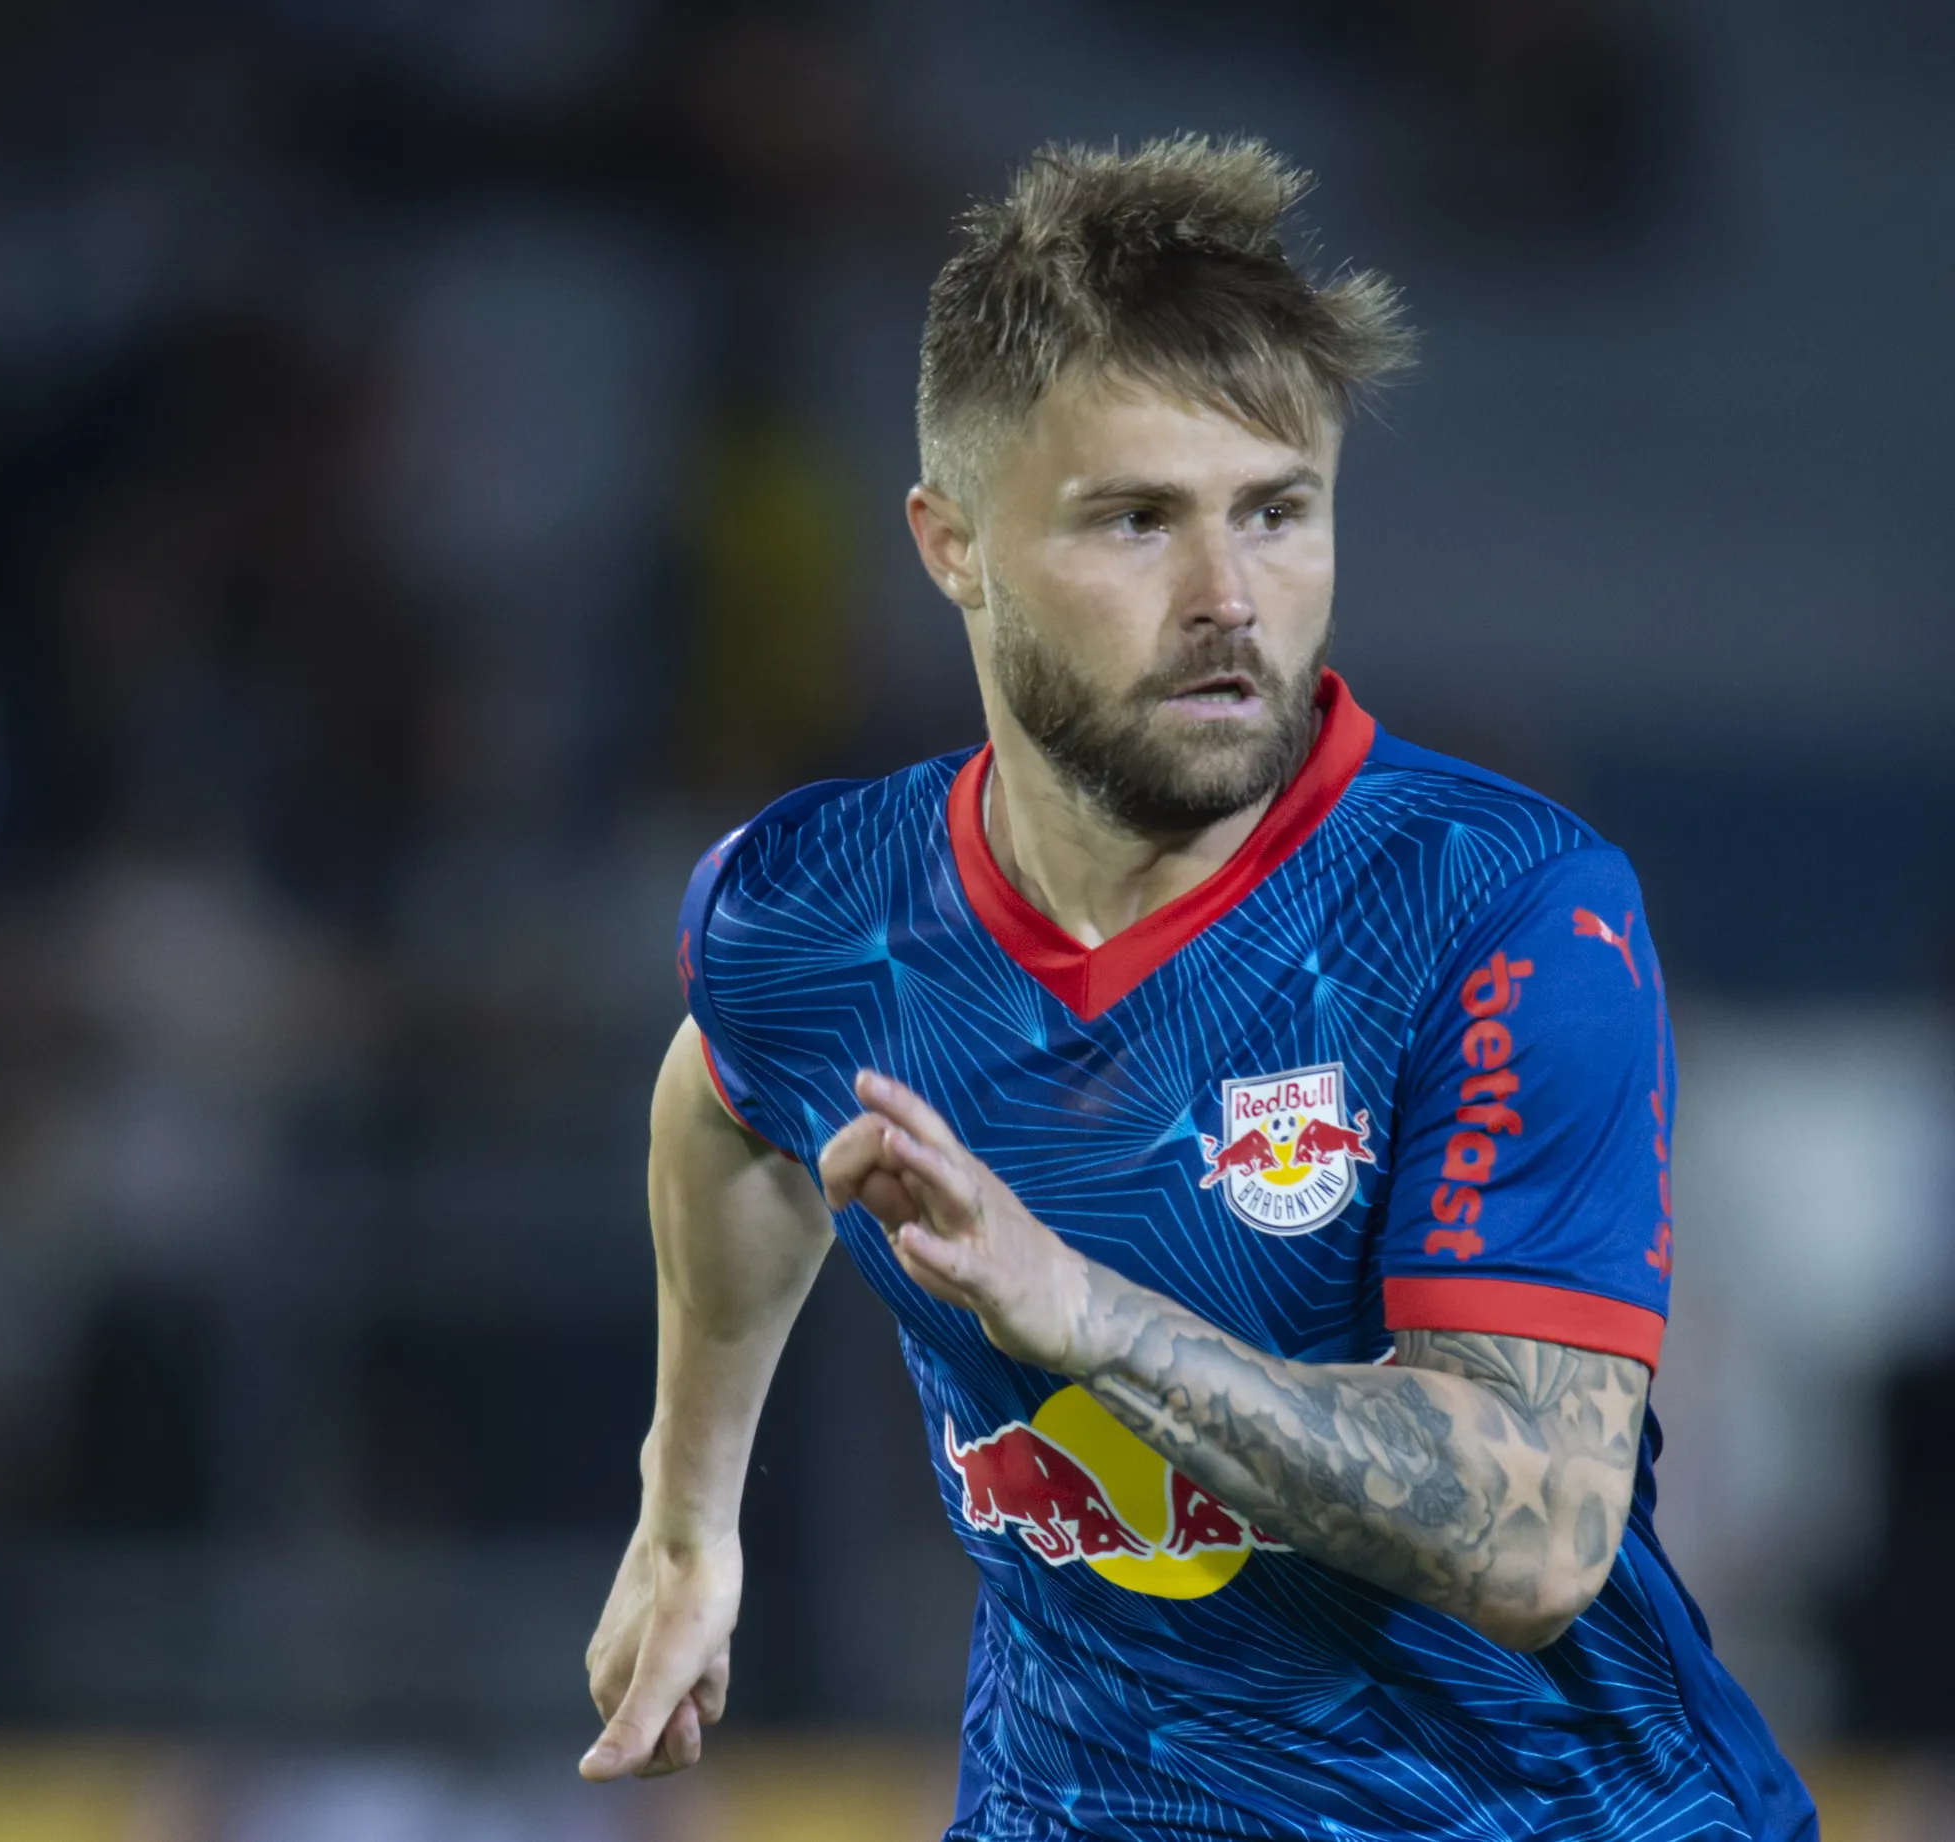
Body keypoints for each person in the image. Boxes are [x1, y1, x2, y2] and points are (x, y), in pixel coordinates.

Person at [576, 137, 1814, 1840]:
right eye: (1137, 518)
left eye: (1277, 511)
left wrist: (1080, 1315)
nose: (1228, 600)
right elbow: (723, 1095)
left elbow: (1538, 1537)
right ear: (951, 546)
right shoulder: (813, 910)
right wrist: (684, 1509)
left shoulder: (1496, 906)